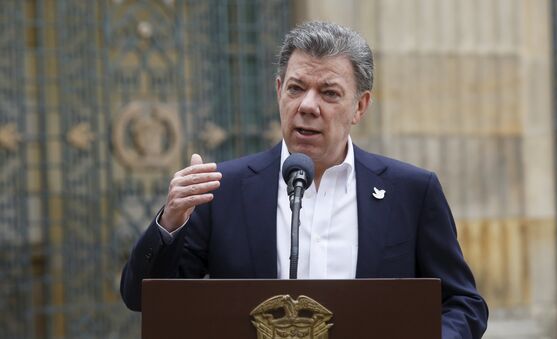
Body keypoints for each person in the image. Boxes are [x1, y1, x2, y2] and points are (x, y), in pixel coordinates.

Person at [120, 21, 488, 338]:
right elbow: (141, 299)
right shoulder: (223, 189)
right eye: (296, 88)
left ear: (360, 106)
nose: (308, 105)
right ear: (278, 89)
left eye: (329, 93)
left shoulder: (410, 191)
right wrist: (170, 222)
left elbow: (463, 303)